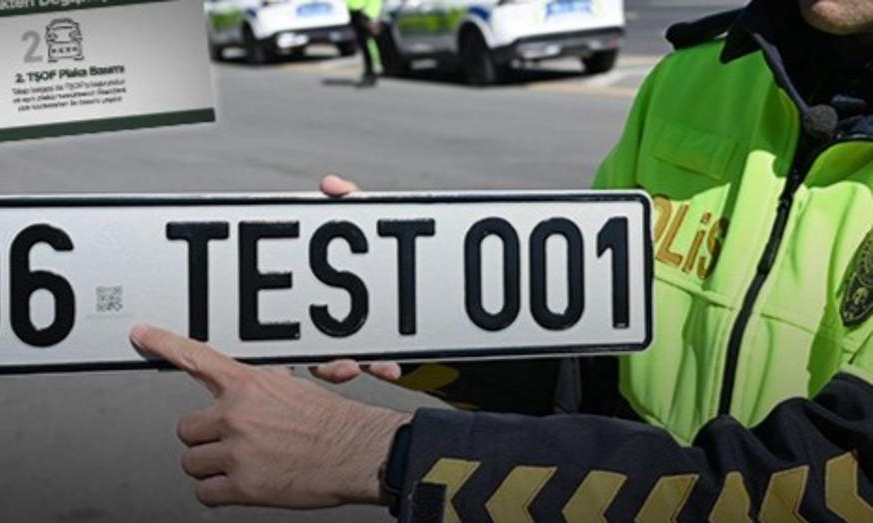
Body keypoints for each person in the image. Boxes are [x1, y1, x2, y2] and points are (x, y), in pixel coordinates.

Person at [129, 0, 873, 520]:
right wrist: (410, 306)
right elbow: (592, 373)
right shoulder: (692, 77)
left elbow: (826, 484)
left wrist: (374, 450)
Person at [347, 0, 382, 87]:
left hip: (366, 13)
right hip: (357, 11)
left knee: (369, 44)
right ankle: (369, 71)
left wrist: (371, 15)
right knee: (364, 45)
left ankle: (373, 71)